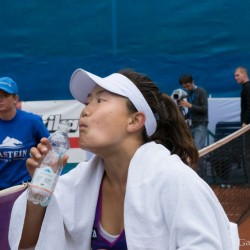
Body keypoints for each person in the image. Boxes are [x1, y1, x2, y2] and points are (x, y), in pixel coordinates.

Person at [9, 69, 238, 249]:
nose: (85, 111)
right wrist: (39, 195)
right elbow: (29, 246)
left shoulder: (177, 182)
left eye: (100, 101)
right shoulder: (75, 185)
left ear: (135, 121)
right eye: (88, 102)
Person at [0, 77, 50, 190]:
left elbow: (50, 150)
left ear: (15, 99)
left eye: (5, 95)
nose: (0, 99)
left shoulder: (32, 122)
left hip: (24, 188)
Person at [178, 74, 208, 150]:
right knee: (191, 150)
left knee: (197, 150)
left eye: (188, 86)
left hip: (201, 124)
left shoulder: (201, 91)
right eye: (184, 87)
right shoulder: (189, 94)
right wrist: (181, 116)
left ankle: (198, 162)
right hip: (191, 126)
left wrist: (190, 105)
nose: (186, 88)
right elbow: (191, 112)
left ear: (192, 82)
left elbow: (204, 109)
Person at [234, 66, 250, 185]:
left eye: (237, 75)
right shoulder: (245, 88)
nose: (235, 78)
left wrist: (246, 122)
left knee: (248, 154)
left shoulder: (247, 88)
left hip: (247, 127)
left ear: (245, 75)